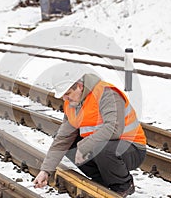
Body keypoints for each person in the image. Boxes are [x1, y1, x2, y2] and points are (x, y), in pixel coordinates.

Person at [33, 64, 147, 197]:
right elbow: (62, 139)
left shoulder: (107, 94)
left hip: (131, 148)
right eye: (63, 96)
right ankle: (103, 182)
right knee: (70, 144)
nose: (65, 99)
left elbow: (114, 128)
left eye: (68, 94)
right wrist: (45, 171)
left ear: (80, 86)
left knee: (101, 148)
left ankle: (123, 185)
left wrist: (84, 147)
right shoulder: (72, 104)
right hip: (103, 147)